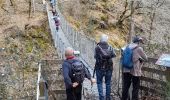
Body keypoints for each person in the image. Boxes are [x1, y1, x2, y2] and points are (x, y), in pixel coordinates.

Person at [94, 34, 116, 100]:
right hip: (109, 68)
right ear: (106, 40)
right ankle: (108, 98)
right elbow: (114, 55)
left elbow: (95, 56)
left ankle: (101, 98)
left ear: (100, 39)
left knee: (99, 82)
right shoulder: (110, 47)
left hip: (99, 67)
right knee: (108, 83)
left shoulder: (97, 48)